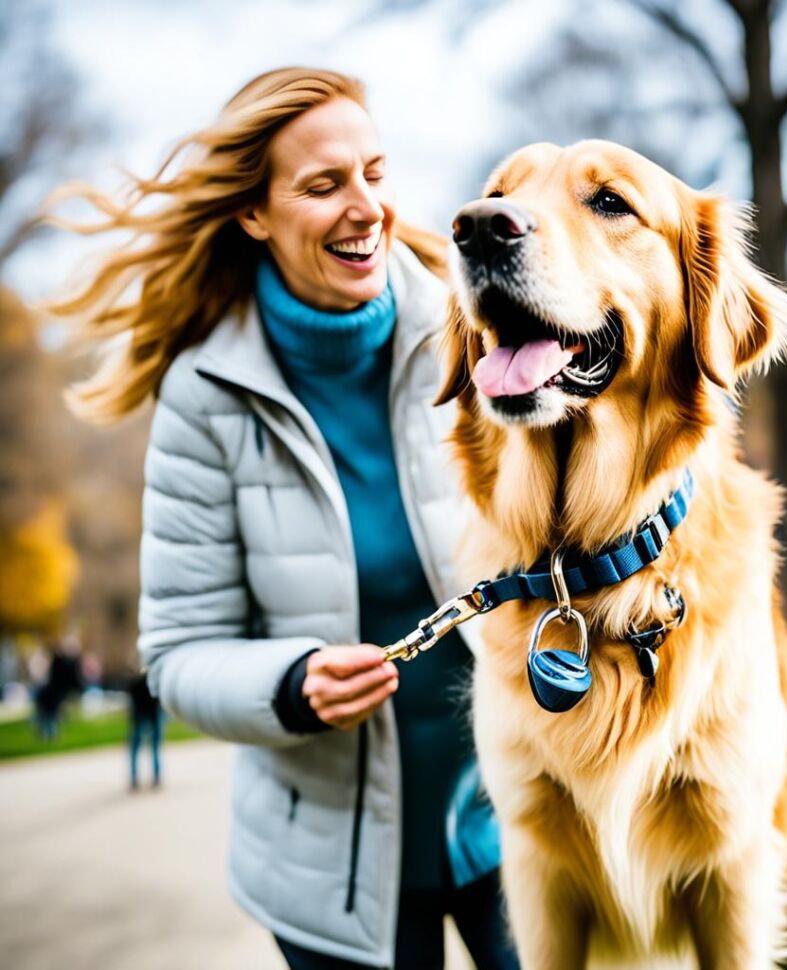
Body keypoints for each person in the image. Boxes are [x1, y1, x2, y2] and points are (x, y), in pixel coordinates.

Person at [49, 68, 518, 970]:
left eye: (375, 174)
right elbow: (180, 655)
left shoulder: (471, 329)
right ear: (254, 214)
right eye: (323, 185)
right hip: (329, 873)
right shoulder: (203, 398)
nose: (366, 207)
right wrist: (289, 682)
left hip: (520, 815)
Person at [127, 671, 163, 790]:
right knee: (154, 748)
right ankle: (155, 776)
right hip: (151, 717)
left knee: (137, 750)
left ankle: (134, 777)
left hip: (141, 718)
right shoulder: (154, 684)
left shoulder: (136, 683)